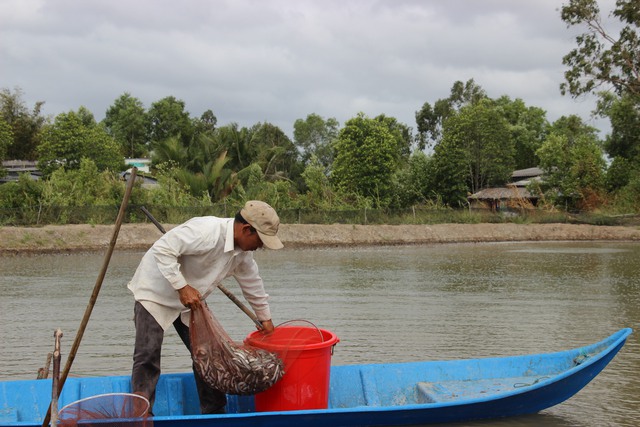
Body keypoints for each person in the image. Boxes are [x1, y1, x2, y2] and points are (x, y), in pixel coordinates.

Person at [127, 200, 283, 415]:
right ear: (247, 229)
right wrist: (181, 287)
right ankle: (141, 414)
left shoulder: (243, 254)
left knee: (207, 355)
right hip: (155, 293)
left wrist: (264, 317)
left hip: (191, 301)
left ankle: (214, 412)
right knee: (147, 355)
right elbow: (162, 249)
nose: (261, 246)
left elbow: (252, 282)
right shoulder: (206, 231)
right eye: (261, 240)